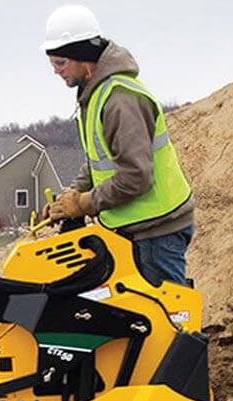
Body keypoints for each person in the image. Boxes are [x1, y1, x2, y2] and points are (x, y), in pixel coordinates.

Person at [40, 4, 197, 287]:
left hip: (157, 229)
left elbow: (136, 176)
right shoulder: (97, 94)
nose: (56, 72)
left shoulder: (120, 101)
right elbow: (98, 161)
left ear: (82, 56)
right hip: (134, 228)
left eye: (61, 63)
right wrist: (71, 196)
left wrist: (84, 204)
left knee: (163, 319)